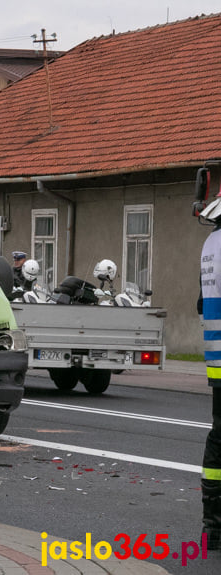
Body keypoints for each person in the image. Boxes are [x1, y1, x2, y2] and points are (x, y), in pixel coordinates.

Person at [196, 195, 221, 550]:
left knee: (219, 437)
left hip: (217, 357)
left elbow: (201, 301)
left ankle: (212, 525)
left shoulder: (210, 245)